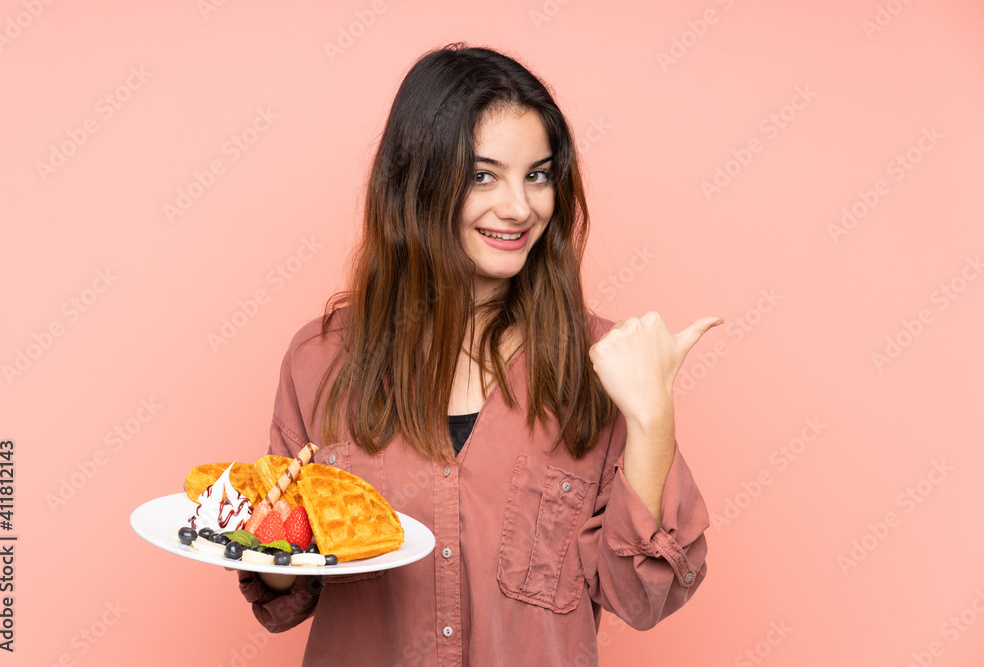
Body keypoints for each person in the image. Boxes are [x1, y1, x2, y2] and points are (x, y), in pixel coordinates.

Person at [235, 42, 723, 666]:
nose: (520, 207)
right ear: (416, 182)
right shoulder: (319, 361)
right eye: (482, 175)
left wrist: (653, 417)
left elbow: (641, 597)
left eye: (538, 174)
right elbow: (286, 595)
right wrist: (269, 541)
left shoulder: (603, 366)